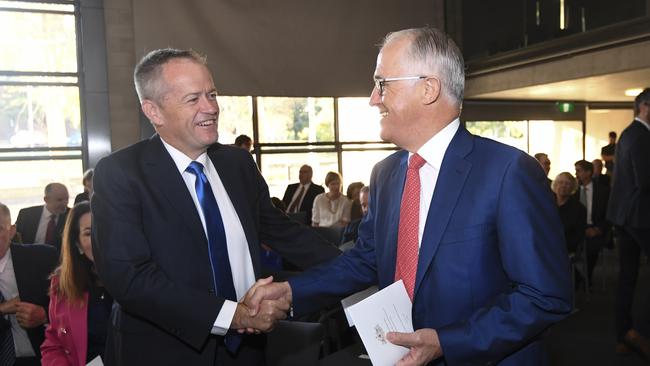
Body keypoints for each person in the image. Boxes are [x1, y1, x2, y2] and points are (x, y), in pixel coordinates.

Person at [245, 27, 572, 365]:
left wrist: (448, 341)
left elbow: (545, 296)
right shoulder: (385, 174)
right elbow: (366, 259)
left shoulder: (507, 171)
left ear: (428, 89)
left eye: (382, 83)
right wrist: (292, 291)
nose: (373, 98)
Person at [91, 48, 340, 365]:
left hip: (248, 350)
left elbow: (285, 233)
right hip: (165, 352)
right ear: (153, 111)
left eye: (212, 94)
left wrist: (358, 268)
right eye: (193, 99)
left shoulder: (236, 163)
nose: (211, 108)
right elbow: (130, 279)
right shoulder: (121, 174)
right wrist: (233, 316)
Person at [41, 202, 113, 366]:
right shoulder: (62, 285)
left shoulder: (142, 277)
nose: (98, 238)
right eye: (88, 233)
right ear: (78, 245)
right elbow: (54, 344)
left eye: (103, 229)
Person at [607, 88, 650, 358]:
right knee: (631, 277)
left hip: (625, 216)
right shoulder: (641, 135)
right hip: (639, 217)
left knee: (627, 277)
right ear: (645, 106)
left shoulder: (629, 134)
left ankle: (624, 333)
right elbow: (645, 181)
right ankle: (641, 334)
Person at [0, 202, 58, 366]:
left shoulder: (42, 258)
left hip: (44, 357)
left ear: (12, 231)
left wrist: (45, 315)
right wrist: (2, 309)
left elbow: (74, 304)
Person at [573, 160, 610, 283]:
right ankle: (576, 277)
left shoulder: (603, 191)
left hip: (595, 227)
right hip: (576, 228)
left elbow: (608, 214)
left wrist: (598, 229)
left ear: (588, 172)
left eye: (579, 170)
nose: (576, 174)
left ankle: (585, 278)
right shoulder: (573, 189)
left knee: (592, 248)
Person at [14, 183, 69, 251]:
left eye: (66, 199)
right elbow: (15, 238)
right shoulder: (26, 215)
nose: (65, 203)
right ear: (46, 199)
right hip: (29, 257)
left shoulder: (71, 215)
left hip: (58, 259)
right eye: (59, 200)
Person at [552, 172, 586, 255]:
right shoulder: (547, 204)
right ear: (555, 185)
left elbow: (578, 235)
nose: (563, 186)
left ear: (572, 187)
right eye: (560, 182)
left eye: (567, 183)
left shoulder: (579, 208)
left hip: (565, 246)